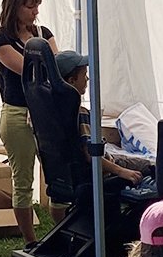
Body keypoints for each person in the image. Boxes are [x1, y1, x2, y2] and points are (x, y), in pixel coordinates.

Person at [0, 0, 56, 247]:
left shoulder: (43, 32)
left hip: (45, 113)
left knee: (57, 174)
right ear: (14, 6)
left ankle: (60, 235)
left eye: (37, 5)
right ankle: (31, 242)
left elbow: (57, 66)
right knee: (23, 180)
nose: (35, 11)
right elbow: (26, 69)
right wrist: (49, 64)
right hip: (17, 114)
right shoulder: (1, 39)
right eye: (29, 6)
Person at [58, 51, 152, 188]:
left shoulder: (55, 110)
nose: (88, 79)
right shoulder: (79, 113)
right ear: (71, 81)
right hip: (104, 169)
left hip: (69, 176)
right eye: (84, 75)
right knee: (152, 166)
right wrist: (121, 171)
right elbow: (91, 156)